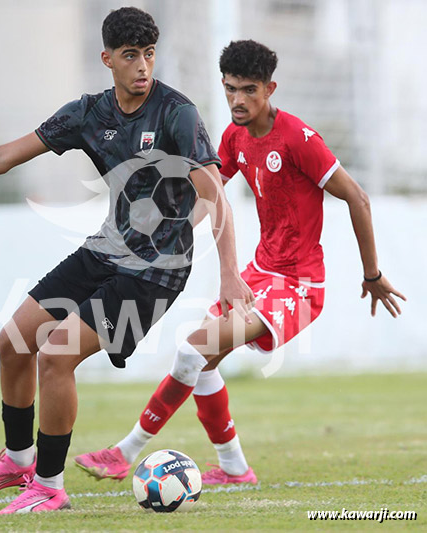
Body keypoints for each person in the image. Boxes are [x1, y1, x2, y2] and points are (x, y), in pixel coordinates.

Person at [0, 8, 254, 514]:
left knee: (57, 353)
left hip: (155, 271)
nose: (142, 67)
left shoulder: (177, 112)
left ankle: (49, 485)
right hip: (106, 250)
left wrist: (227, 274)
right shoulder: (88, 113)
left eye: (149, 55)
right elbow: (6, 156)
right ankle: (19, 460)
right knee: (15, 340)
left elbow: (213, 193)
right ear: (107, 59)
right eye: (131, 56)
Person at [74, 40, 406, 487]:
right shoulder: (232, 137)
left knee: (193, 348)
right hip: (258, 274)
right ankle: (233, 467)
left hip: (300, 286)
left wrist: (372, 274)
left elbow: (357, 197)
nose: (237, 100)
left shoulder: (299, 138)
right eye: (230, 89)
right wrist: (161, 237)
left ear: (270, 88)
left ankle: (123, 452)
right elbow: (208, 195)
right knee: (201, 358)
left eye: (249, 90)